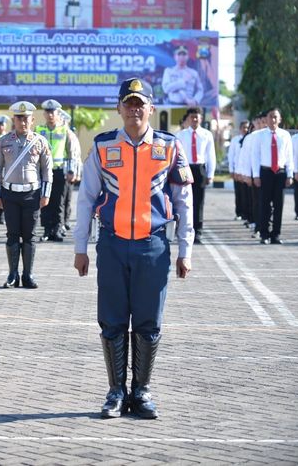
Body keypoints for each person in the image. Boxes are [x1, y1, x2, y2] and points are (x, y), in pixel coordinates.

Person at [73, 77, 194, 419]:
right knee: (112, 320)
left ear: (151, 109)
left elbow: (184, 203)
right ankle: (115, 392)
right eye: (129, 103)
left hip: (153, 246)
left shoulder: (170, 148)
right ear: (119, 108)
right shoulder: (103, 146)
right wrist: (80, 247)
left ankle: (141, 392)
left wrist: (186, 250)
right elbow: (86, 199)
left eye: (141, 104)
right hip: (112, 245)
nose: (135, 109)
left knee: (148, 321)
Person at [0, 101, 52, 289]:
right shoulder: (4, 141)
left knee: (30, 235)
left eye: (26, 118)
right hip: (10, 194)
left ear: (32, 120)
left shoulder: (40, 141)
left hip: (32, 195)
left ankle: (28, 275)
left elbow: (47, 171)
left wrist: (45, 194)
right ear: (14, 119)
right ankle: (12, 274)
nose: (22, 122)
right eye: (19, 118)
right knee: (12, 235)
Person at [250, 108, 294, 244]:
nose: (273, 120)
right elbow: (255, 156)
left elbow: (289, 156)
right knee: (265, 204)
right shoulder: (259, 135)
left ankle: (275, 234)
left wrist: (290, 174)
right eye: (270, 117)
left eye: (276, 117)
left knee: (278, 204)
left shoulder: (285, 135)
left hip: (280, 173)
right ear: (266, 119)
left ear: (280, 119)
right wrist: (256, 175)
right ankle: (264, 234)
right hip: (266, 172)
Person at [35, 99, 78, 242]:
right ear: (44, 114)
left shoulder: (64, 131)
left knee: (59, 202)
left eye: (52, 112)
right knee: (45, 202)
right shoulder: (39, 130)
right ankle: (47, 230)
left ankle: (57, 229)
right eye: (47, 112)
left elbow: (70, 152)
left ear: (57, 113)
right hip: (43, 172)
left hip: (60, 171)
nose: (50, 115)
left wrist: (72, 171)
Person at [175, 107, 215, 244]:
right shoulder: (181, 135)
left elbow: (211, 155)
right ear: (188, 119)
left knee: (198, 202)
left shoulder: (206, 135)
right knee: (183, 200)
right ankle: (182, 229)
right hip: (185, 168)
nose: (194, 120)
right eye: (192, 117)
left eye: (197, 117)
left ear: (201, 118)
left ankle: (198, 231)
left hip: (200, 168)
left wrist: (210, 174)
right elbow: (177, 155)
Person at [228, 121, 249, 223]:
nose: (245, 129)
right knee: (239, 193)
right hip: (237, 171)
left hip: (246, 172)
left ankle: (246, 213)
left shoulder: (250, 139)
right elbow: (231, 156)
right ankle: (239, 212)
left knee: (246, 194)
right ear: (240, 128)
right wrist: (232, 170)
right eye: (244, 127)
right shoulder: (235, 140)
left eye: (247, 128)